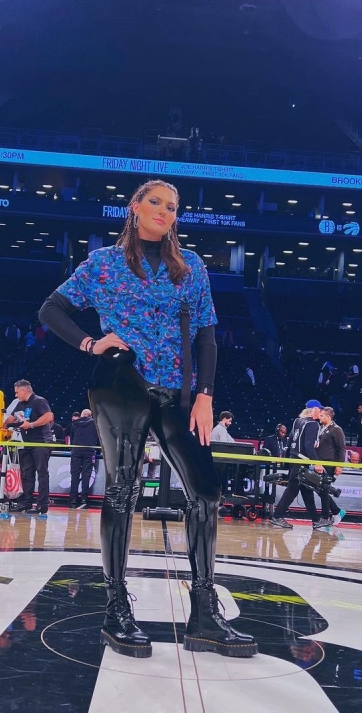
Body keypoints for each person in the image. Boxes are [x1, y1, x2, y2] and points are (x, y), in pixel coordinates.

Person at [39, 179, 257, 660]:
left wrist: (205, 395)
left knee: (206, 493)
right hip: (121, 381)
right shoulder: (103, 263)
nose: (164, 211)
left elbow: (206, 336)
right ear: (135, 207)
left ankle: (204, 614)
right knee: (123, 488)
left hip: (178, 393)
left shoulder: (191, 266)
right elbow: (51, 308)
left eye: (172, 207)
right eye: (155, 202)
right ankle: (116, 608)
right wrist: (91, 343)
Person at [270, 399, 324, 530]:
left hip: (294, 459)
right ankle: (277, 516)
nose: (321, 412)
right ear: (314, 410)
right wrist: (317, 463)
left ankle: (316, 520)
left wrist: (286, 459)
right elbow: (308, 446)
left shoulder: (297, 421)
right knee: (292, 490)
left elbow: (289, 442)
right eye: (319, 409)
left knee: (306, 490)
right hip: (301, 461)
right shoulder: (313, 424)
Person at [5, 379, 54, 514]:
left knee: (42, 474)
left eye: (17, 392)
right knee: (27, 474)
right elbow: (12, 418)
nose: (15, 395)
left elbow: (49, 416)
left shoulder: (39, 401)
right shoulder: (20, 404)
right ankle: (26, 503)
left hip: (41, 443)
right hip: (27, 443)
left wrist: (31, 425)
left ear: (24, 390)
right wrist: (3, 423)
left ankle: (42, 505)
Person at [315, 407, 346, 526]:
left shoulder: (337, 430)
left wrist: (339, 465)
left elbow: (341, 449)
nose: (319, 417)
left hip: (329, 464)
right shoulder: (322, 428)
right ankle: (336, 511)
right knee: (320, 489)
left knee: (323, 490)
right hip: (320, 463)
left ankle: (325, 517)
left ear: (328, 417)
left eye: (322, 415)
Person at [67, 408, 98, 509]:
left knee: (74, 474)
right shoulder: (95, 424)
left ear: (81, 415)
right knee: (86, 475)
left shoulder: (75, 423)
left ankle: (73, 498)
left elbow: (71, 437)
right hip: (89, 451)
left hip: (76, 451)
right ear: (90, 416)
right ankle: (84, 498)